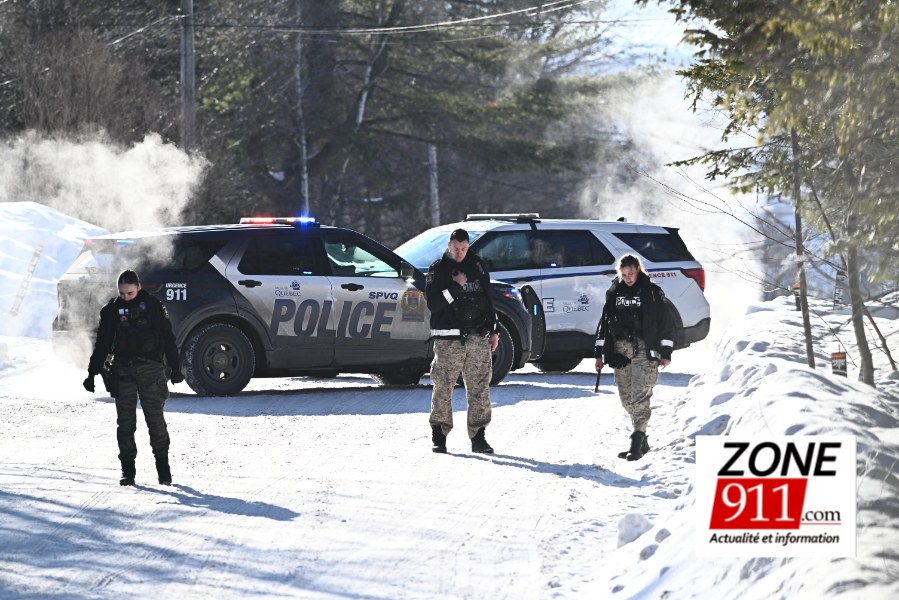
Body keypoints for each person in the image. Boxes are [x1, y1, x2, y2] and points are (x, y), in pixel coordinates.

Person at [82, 270, 184, 486]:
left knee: (155, 421)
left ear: (139, 287)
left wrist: (176, 367)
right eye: (122, 293)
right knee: (125, 424)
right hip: (123, 370)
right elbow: (102, 343)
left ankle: (163, 470)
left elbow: (167, 338)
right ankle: (128, 471)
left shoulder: (154, 307)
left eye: (129, 292)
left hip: (151, 369)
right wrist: (92, 373)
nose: (126, 297)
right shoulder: (111, 311)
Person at [594, 254, 675, 461]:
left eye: (632, 273)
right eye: (625, 274)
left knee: (640, 395)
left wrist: (665, 353)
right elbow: (604, 324)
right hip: (621, 350)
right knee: (626, 399)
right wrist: (601, 354)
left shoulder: (653, 293)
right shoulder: (613, 293)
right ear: (620, 273)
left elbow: (666, 323)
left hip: (645, 349)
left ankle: (637, 442)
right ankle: (642, 439)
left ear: (638, 270)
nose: (629, 278)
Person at [426, 228, 500, 454]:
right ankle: (439, 436)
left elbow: (488, 298)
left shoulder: (477, 265)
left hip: (477, 336)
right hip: (449, 339)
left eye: (464, 248)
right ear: (449, 245)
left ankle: (478, 437)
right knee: (443, 386)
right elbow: (434, 304)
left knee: (479, 388)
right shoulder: (438, 270)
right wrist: (456, 286)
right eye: (456, 248)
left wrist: (494, 330)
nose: (460, 253)